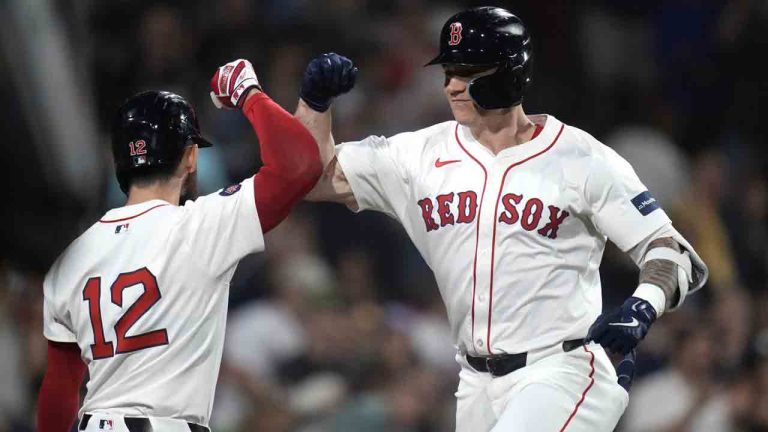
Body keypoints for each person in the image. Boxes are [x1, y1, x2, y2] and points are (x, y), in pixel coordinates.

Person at [294, 6, 709, 432]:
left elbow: (672, 249)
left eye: (467, 72)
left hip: (559, 370)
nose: (451, 86)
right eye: (448, 72)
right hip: (474, 383)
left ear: (511, 73)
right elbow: (312, 180)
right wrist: (314, 105)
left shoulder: (580, 157)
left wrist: (643, 306)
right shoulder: (416, 155)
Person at [37, 59, 321, 431]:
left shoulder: (70, 259)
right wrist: (247, 93)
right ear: (190, 157)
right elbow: (300, 165)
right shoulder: (200, 225)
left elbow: (59, 390)